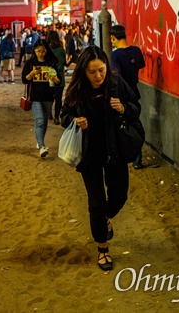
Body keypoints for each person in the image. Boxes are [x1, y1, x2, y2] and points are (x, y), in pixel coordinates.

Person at [59, 46, 141, 271]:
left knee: (119, 195)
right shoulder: (76, 91)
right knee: (96, 203)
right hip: (90, 154)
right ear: (83, 71)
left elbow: (136, 107)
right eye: (92, 71)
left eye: (101, 70)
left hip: (115, 150)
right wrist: (75, 121)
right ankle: (102, 249)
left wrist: (124, 107)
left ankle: (105, 217)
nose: (98, 76)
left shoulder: (116, 84)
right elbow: (63, 116)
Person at [110, 24, 146, 169]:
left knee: (124, 127)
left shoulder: (115, 55)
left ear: (113, 38)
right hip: (135, 93)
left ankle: (126, 155)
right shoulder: (136, 51)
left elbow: (116, 76)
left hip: (123, 96)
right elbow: (140, 65)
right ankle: (137, 160)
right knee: (135, 126)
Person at [22, 40, 61, 158]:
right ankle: (42, 146)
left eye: (43, 51)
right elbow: (24, 79)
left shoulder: (51, 63)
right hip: (35, 97)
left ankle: (40, 142)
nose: (41, 53)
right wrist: (32, 73)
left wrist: (55, 79)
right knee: (39, 121)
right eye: (38, 51)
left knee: (43, 123)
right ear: (34, 50)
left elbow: (59, 81)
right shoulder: (30, 63)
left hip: (48, 97)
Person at [47, 30, 67, 125]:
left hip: (49, 76)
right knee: (58, 99)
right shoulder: (61, 49)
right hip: (59, 76)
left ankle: (49, 114)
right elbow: (64, 62)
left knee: (49, 97)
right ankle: (56, 117)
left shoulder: (47, 49)